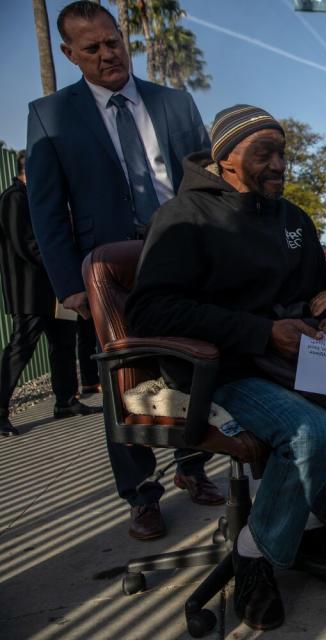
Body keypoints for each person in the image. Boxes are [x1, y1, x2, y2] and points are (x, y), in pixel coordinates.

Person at [125, 105, 326, 630]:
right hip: (225, 369)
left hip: (297, 358)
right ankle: (254, 554)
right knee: (315, 434)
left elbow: (305, 295)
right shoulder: (184, 218)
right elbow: (149, 309)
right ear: (226, 159)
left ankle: (310, 526)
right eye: (264, 154)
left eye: (282, 152)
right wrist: (259, 333)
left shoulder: (292, 220)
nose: (279, 164)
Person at [26, 1, 219, 540]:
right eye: (92, 48)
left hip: (180, 259)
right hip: (108, 273)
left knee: (190, 366)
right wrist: (69, 285)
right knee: (126, 379)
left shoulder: (175, 104)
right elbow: (46, 209)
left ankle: (192, 465)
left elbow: (208, 186)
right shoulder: (50, 116)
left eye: (112, 41)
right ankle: (141, 495)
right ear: (69, 54)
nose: (107, 54)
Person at [0, 151, 99, 437]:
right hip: (29, 290)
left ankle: (66, 401)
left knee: (64, 343)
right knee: (21, 348)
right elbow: (26, 245)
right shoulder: (14, 198)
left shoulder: (39, 199)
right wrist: (62, 263)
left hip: (56, 287)